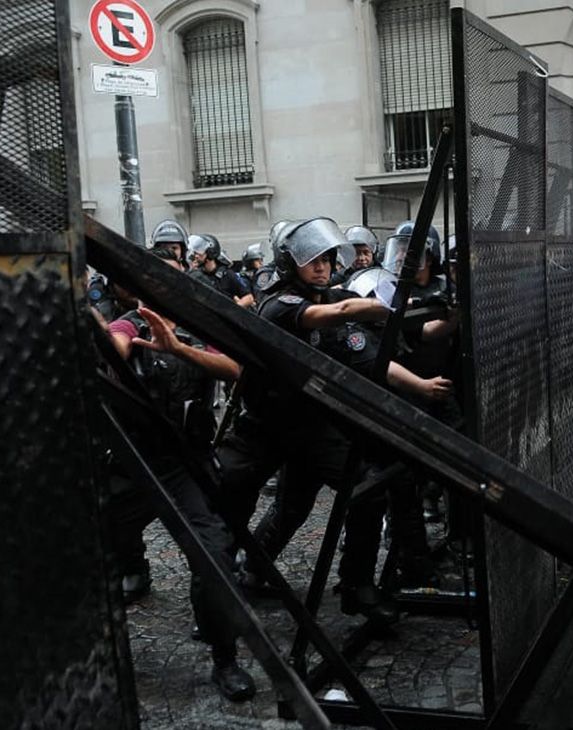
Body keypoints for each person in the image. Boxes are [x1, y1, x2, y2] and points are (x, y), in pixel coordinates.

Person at [217, 217, 450, 624]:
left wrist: (424, 304)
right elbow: (343, 310)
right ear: (290, 263)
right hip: (269, 426)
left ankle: (356, 584)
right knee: (249, 505)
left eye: (326, 259)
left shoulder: (323, 293)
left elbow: (365, 322)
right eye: (312, 261)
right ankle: (234, 582)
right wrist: (386, 307)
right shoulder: (280, 303)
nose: (322, 267)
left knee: (361, 489)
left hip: (312, 424)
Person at [101, 247, 256, 702]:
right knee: (92, 547)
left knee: (213, 556)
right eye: (155, 280)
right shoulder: (131, 321)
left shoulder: (196, 328)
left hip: (182, 464)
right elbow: (116, 340)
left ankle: (224, 657)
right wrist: (115, 348)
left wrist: (178, 348)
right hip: (130, 461)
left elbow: (234, 368)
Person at [187, 234, 255, 307]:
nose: (195, 255)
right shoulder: (196, 275)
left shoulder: (227, 275)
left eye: (199, 251)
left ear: (210, 251)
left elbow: (249, 298)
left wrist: (231, 311)